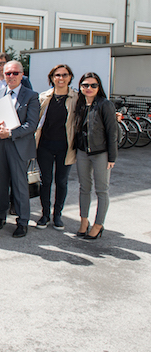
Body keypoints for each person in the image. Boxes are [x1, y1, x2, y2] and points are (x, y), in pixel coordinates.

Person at [0, 60, 40, 238]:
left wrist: (10, 133)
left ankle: (22, 221)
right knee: (0, 183)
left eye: (15, 73)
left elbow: (32, 125)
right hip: (0, 145)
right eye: (8, 73)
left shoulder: (31, 96)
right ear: (3, 75)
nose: (11, 76)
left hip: (18, 145)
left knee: (20, 186)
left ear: (22, 74)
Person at [34, 64, 78, 230]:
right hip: (44, 146)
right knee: (46, 181)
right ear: (52, 78)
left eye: (64, 75)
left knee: (62, 181)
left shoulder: (76, 97)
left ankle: (57, 214)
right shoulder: (44, 97)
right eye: (57, 75)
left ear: (70, 77)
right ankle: (45, 214)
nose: (61, 78)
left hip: (66, 147)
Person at [74, 72, 117, 240]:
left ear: (99, 87)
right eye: (85, 85)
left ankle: (98, 225)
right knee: (84, 188)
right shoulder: (79, 104)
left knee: (102, 190)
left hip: (101, 153)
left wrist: (112, 157)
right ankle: (84, 221)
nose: (89, 88)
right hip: (83, 152)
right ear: (80, 87)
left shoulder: (105, 104)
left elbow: (112, 132)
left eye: (93, 85)